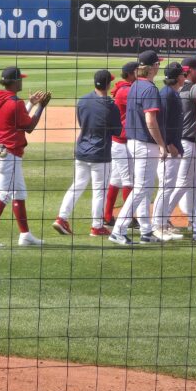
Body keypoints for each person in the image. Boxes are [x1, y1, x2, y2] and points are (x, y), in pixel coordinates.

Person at [0, 67, 52, 248]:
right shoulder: (15, 103)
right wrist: (41, 107)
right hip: (9, 153)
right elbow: (28, 126)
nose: (22, 82)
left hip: (2, 150)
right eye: (20, 79)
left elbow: (15, 119)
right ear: (15, 82)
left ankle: (25, 235)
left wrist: (30, 103)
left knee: (19, 192)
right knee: (3, 194)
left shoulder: (0, 99)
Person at [110, 50, 170, 245]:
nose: (158, 66)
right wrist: (162, 145)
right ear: (153, 67)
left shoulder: (134, 85)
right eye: (157, 64)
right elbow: (150, 120)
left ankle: (146, 231)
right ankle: (118, 230)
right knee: (142, 189)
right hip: (146, 144)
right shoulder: (150, 89)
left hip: (134, 142)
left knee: (143, 188)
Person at [53, 70, 121, 237]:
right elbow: (117, 131)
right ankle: (97, 226)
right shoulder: (110, 106)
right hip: (101, 155)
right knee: (99, 191)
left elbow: (82, 122)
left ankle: (62, 218)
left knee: (77, 185)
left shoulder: (82, 101)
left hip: (82, 150)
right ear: (108, 84)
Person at [151, 62, 186, 240]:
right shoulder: (166, 95)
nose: (185, 77)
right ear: (177, 77)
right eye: (183, 75)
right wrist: (168, 144)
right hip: (169, 149)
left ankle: (164, 223)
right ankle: (157, 226)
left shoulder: (172, 93)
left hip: (175, 146)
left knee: (169, 187)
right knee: (165, 187)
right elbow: (160, 122)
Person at [175, 58, 196, 234]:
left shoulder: (176, 88)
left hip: (181, 140)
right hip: (189, 142)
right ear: (192, 71)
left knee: (195, 183)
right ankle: (161, 219)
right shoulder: (194, 89)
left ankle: (193, 220)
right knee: (183, 183)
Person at [104, 61, 137, 226]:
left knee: (116, 180)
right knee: (128, 180)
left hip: (119, 141)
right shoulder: (126, 91)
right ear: (131, 73)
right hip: (122, 142)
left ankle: (107, 216)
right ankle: (129, 218)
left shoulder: (125, 88)